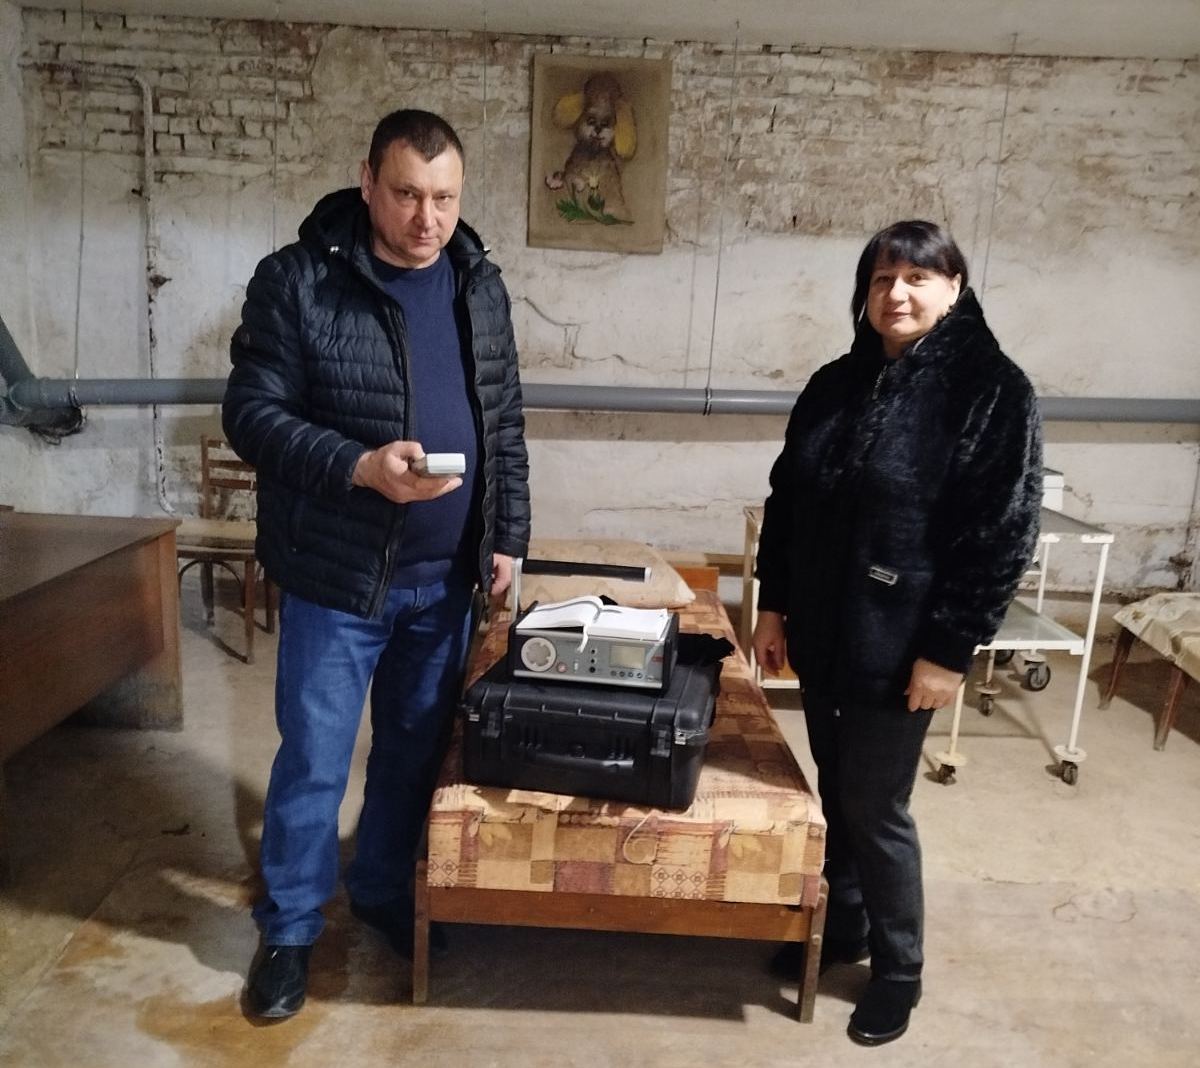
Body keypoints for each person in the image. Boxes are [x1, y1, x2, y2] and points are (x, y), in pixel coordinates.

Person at [222, 108, 530, 1019]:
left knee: (410, 753)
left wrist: (507, 534)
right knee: (315, 760)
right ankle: (289, 931)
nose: (426, 218)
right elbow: (251, 415)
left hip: (445, 583)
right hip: (338, 578)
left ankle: (385, 889)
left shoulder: (479, 284)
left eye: (444, 198)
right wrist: (360, 468)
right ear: (367, 183)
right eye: (406, 195)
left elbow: (505, 420)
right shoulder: (298, 280)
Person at [753, 220, 1042, 1046]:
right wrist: (774, 606)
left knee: (877, 806)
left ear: (955, 288)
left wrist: (948, 653)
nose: (898, 294)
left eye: (918, 278)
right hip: (824, 629)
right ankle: (844, 926)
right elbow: (788, 500)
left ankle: (899, 971)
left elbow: (1000, 535)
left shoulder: (990, 390)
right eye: (883, 279)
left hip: (903, 642)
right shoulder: (838, 382)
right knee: (837, 786)